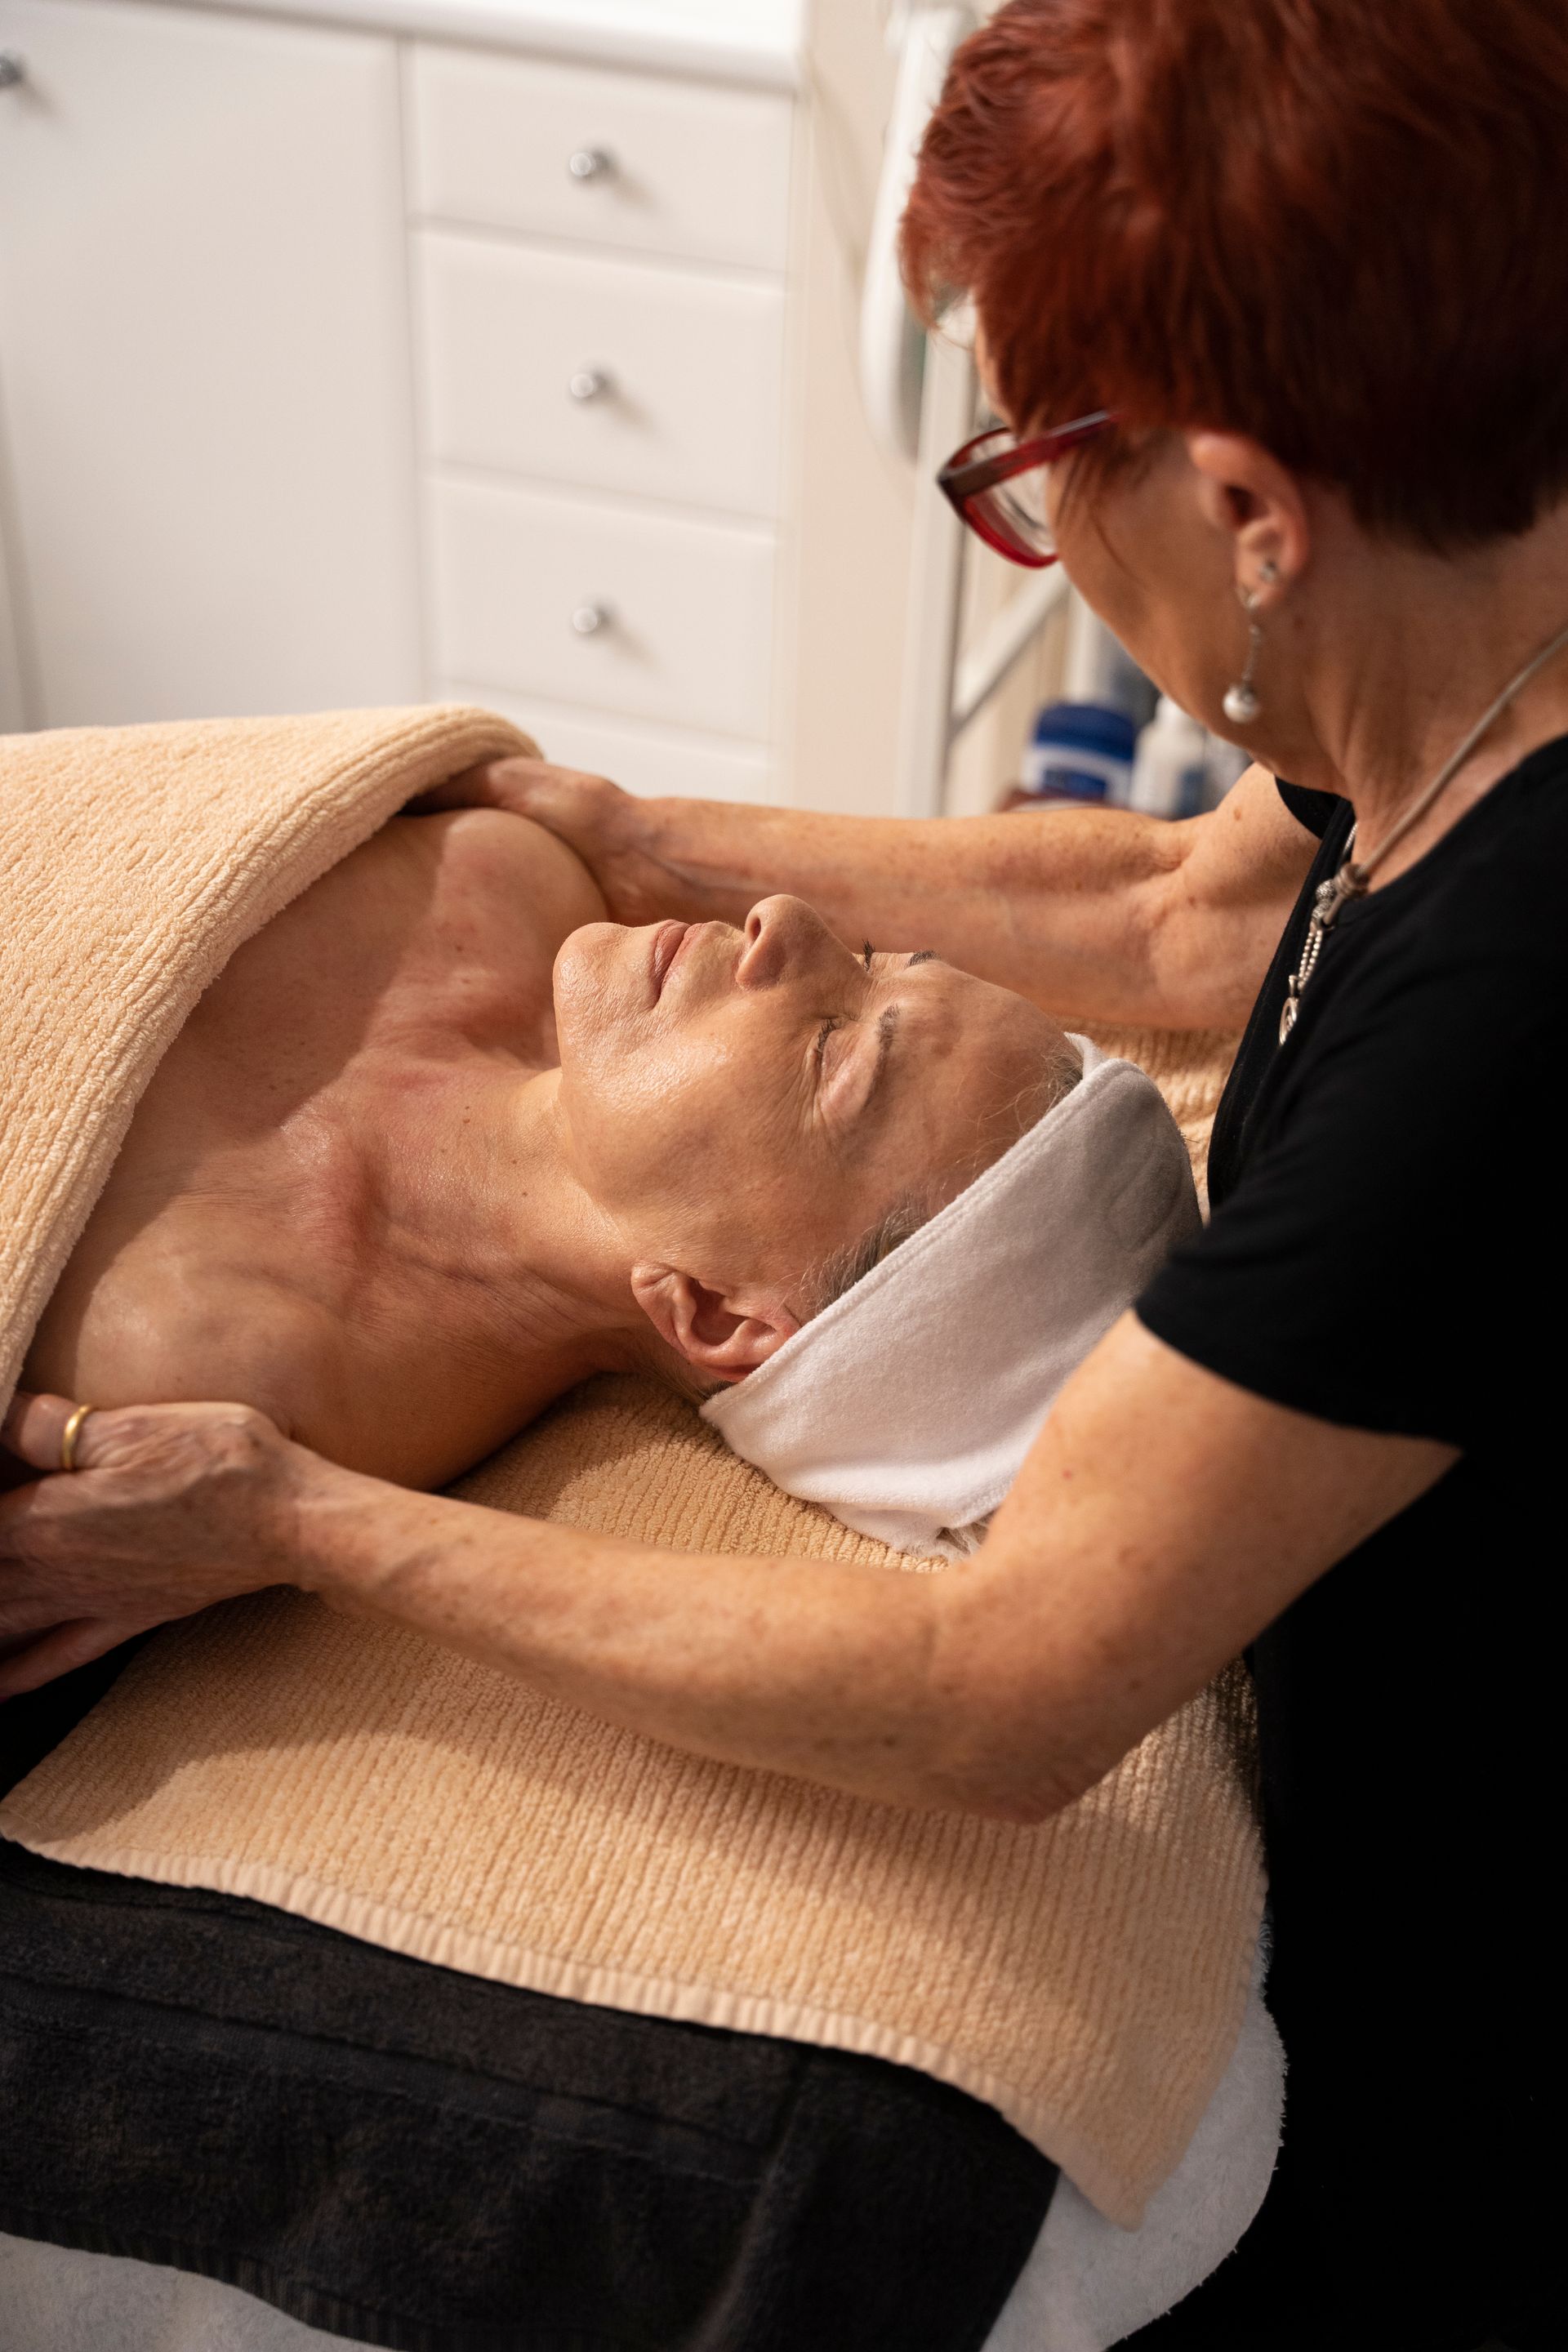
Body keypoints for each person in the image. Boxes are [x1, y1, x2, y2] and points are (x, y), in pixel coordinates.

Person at [5, 0, 1566, 2342]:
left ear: (1256, 512)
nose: (1037, 537)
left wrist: (285, 1518)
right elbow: (1185, 910)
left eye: (1043, 475)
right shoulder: (1477, 637)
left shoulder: (1506, 1035)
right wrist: (641, 829)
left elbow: (1005, 1687)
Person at [21, 791, 1075, 1501]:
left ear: (715, 1310)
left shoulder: (208, 1372)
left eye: (831, 1050)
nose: (783, 918)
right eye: (876, 957)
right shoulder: (493, 880)